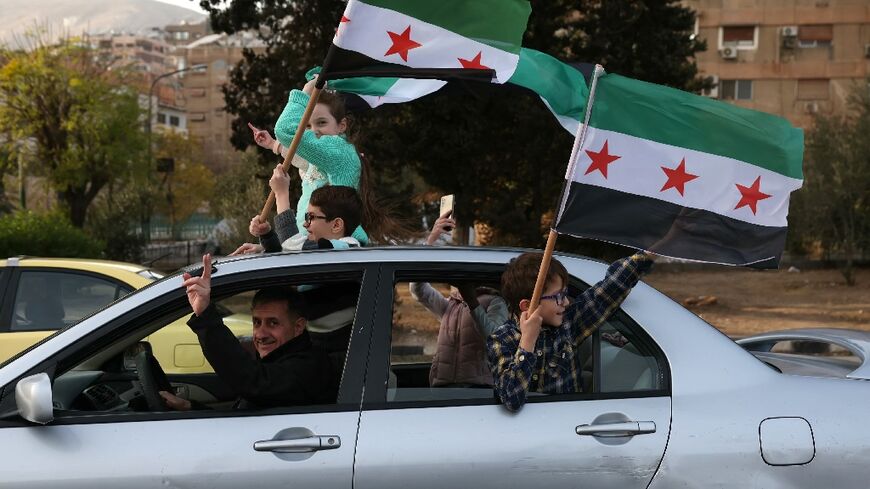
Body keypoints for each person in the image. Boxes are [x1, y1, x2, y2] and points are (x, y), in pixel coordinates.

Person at [247, 74, 417, 247]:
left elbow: (286, 131)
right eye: (306, 127)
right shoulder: (323, 160)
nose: (313, 132)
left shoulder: (339, 151)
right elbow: (300, 158)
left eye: (321, 123)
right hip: (304, 245)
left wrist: (305, 93)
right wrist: (267, 241)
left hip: (310, 247)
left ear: (342, 126)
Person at [159, 254, 337, 410]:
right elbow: (247, 410)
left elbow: (253, 383)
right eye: (257, 322)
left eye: (273, 323)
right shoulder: (280, 359)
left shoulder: (308, 367)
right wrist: (189, 407)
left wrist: (206, 315)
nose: (260, 334)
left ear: (298, 327)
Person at [487, 251, 656, 411]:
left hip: (570, 424)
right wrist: (527, 342)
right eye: (558, 296)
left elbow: (610, 289)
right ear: (527, 306)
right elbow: (511, 399)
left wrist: (650, 253)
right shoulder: (501, 340)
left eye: (565, 294)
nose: (566, 302)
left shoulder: (568, 325)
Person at [409, 211, 509, 387]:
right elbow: (418, 289)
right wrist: (431, 241)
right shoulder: (450, 306)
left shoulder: (495, 302)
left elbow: (495, 339)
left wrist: (473, 302)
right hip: (442, 387)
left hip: (477, 390)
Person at [252, 176, 362, 252]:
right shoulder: (324, 250)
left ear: (336, 225)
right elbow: (284, 254)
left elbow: (291, 245)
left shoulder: (347, 248)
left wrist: (281, 194)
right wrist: (267, 234)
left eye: (311, 217)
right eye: (306, 217)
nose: (305, 224)